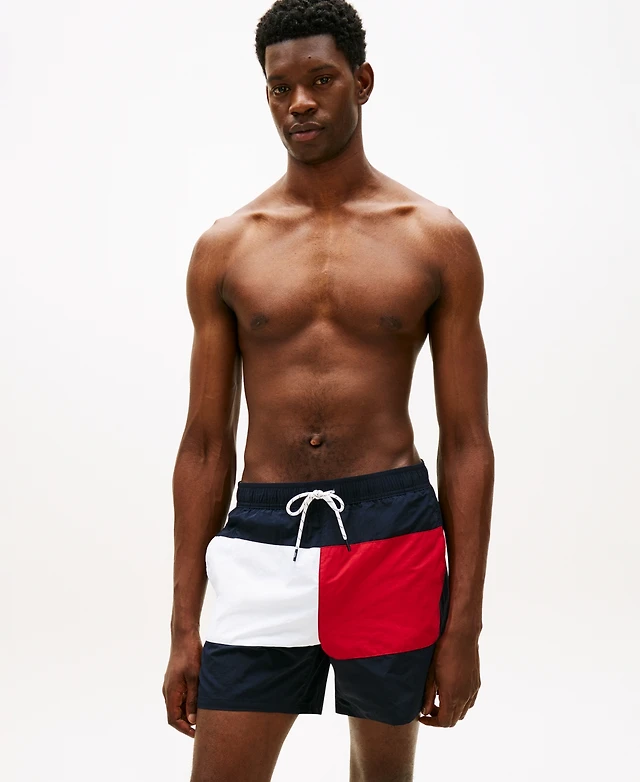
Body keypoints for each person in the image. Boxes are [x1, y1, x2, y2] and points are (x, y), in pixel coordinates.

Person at [162, 0, 494, 779]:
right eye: (280, 88)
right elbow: (205, 445)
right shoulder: (227, 247)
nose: (300, 102)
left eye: (320, 80)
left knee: (381, 775)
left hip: (393, 535)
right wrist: (183, 626)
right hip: (262, 539)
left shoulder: (433, 238)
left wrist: (464, 627)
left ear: (362, 82)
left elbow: (468, 442)